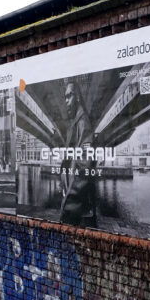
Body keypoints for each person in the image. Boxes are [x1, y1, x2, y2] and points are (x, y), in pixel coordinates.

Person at [59, 80, 98, 227]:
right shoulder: (76, 123)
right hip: (77, 207)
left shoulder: (83, 123)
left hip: (78, 209)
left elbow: (83, 168)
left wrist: (67, 207)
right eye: (65, 97)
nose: (67, 101)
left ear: (78, 97)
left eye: (69, 96)